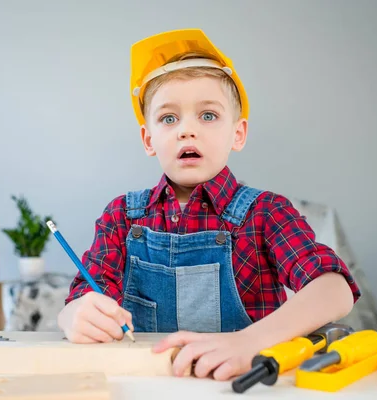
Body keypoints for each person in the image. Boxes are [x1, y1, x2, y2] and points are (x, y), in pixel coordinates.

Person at [57, 28, 361, 380]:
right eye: (169, 118)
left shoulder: (266, 212)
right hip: (146, 384)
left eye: (208, 115)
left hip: (240, 383)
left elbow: (335, 289)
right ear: (148, 138)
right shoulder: (121, 218)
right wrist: (75, 314)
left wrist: (252, 342)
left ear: (238, 133)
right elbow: (82, 296)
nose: (187, 130)